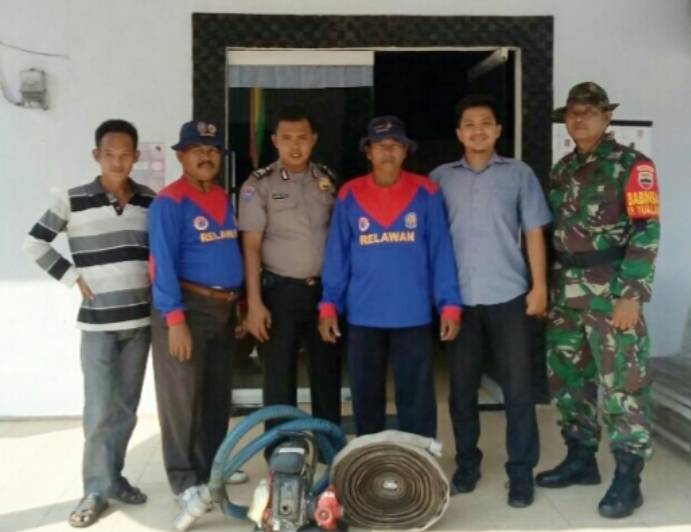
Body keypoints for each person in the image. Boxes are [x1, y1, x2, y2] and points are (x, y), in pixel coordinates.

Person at [535, 82, 661, 519]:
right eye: (572, 112)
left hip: (612, 293)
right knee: (569, 380)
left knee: (623, 383)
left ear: (607, 117)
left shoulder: (633, 165)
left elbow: (647, 230)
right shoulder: (563, 168)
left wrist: (633, 294)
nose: (579, 119)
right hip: (566, 293)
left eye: (589, 111)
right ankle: (580, 459)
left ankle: (628, 477)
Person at [23, 119, 154, 527]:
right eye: (110, 154)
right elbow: (34, 242)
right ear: (97, 155)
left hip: (140, 320)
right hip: (98, 325)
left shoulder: (150, 201)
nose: (118, 161)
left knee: (126, 408)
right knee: (98, 410)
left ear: (136, 156)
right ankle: (94, 489)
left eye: (125, 154)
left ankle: (114, 479)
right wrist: (71, 276)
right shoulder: (71, 199)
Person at [430, 95, 552, 506]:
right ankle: (467, 464)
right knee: (462, 390)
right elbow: (430, 240)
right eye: (469, 124)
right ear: (458, 133)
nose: (477, 130)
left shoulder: (519, 174)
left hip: (510, 296)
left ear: (499, 130)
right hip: (459, 301)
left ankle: (521, 472)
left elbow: (534, 232)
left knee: (518, 389)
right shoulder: (440, 178)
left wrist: (539, 286)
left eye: (486, 123)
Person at [319, 115, 462, 438]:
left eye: (395, 144)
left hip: (412, 314)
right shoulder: (349, 194)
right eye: (380, 145)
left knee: (417, 399)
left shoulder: (426, 191)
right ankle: (371, 459)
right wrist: (329, 304)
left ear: (405, 150)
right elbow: (337, 254)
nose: (387, 151)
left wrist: (449, 304)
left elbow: (440, 252)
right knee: (366, 397)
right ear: (368, 152)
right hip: (363, 314)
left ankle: (419, 459)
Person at [149, 120, 245, 510]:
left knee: (216, 394)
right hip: (187, 308)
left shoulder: (222, 196)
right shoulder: (169, 202)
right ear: (181, 156)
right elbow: (161, 263)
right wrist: (175, 320)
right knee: (182, 399)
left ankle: (212, 467)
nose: (206, 156)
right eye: (196, 150)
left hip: (223, 308)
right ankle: (184, 480)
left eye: (212, 150)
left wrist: (238, 305)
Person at [237, 106, 341, 428]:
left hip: (323, 294)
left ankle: (329, 447)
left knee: (327, 374)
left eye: (302, 138)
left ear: (314, 139)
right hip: (279, 293)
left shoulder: (327, 180)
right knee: (279, 380)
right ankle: (281, 450)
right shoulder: (260, 185)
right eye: (287, 138)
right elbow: (251, 246)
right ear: (275, 141)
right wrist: (254, 304)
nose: (295, 145)